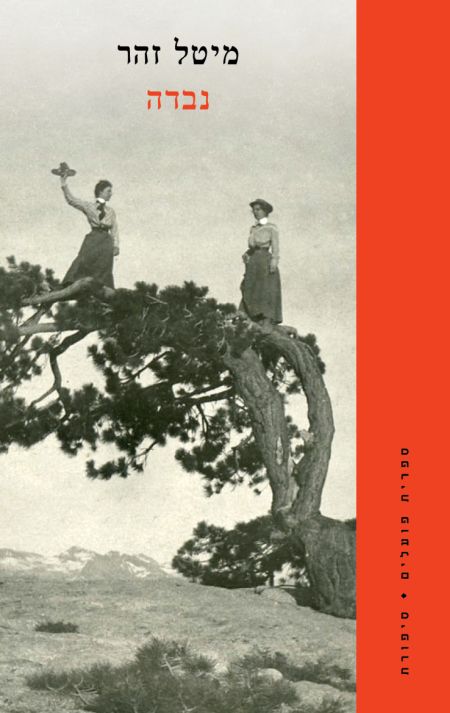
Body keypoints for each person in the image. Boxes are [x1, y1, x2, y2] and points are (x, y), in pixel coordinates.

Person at [58, 168, 119, 289]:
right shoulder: (88, 206)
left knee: (104, 266)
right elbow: (71, 200)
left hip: (106, 242)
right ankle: (70, 284)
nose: (111, 194)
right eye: (108, 191)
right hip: (93, 238)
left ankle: (103, 289)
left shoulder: (111, 211)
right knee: (83, 260)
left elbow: (114, 229)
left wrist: (116, 246)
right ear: (101, 191)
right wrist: (63, 183)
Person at [239, 198, 282, 324]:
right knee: (248, 286)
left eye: (258, 209)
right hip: (253, 261)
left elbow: (275, 247)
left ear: (265, 211)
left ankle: (266, 318)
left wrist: (274, 261)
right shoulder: (253, 228)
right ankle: (249, 315)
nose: (255, 212)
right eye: (254, 210)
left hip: (265, 260)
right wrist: (247, 254)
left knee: (265, 288)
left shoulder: (271, 227)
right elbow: (252, 247)